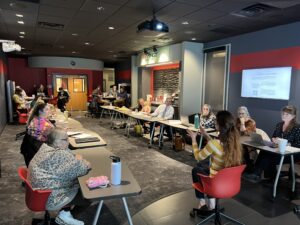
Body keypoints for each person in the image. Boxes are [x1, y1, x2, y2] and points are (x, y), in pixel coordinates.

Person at [28, 129, 91, 225]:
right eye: (65, 139)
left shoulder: (45, 148)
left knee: (73, 182)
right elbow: (83, 168)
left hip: (39, 192)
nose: (68, 141)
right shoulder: (59, 154)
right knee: (88, 196)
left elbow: (72, 158)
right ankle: (65, 218)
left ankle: (65, 213)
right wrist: (80, 160)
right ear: (57, 142)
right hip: (51, 196)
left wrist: (77, 159)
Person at [187, 110, 242, 214]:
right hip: (230, 183)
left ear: (219, 126)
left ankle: (203, 202)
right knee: (202, 168)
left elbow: (198, 156)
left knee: (196, 169)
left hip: (216, 183)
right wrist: (206, 135)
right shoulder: (235, 142)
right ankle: (211, 203)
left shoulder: (215, 143)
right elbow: (216, 147)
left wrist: (194, 139)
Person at [246, 105, 300, 182]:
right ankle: (260, 174)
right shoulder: (279, 125)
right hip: (278, 149)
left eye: (286, 114)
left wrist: (287, 144)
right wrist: (274, 140)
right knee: (264, 151)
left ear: (293, 116)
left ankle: (257, 174)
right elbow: (274, 137)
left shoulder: (297, 127)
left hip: (291, 154)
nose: (284, 116)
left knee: (268, 156)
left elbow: (298, 145)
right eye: (283, 114)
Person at [20, 102, 55, 166]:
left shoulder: (36, 118)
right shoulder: (42, 123)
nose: (49, 111)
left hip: (30, 150)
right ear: (40, 111)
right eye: (46, 110)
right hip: (36, 151)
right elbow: (54, 136)